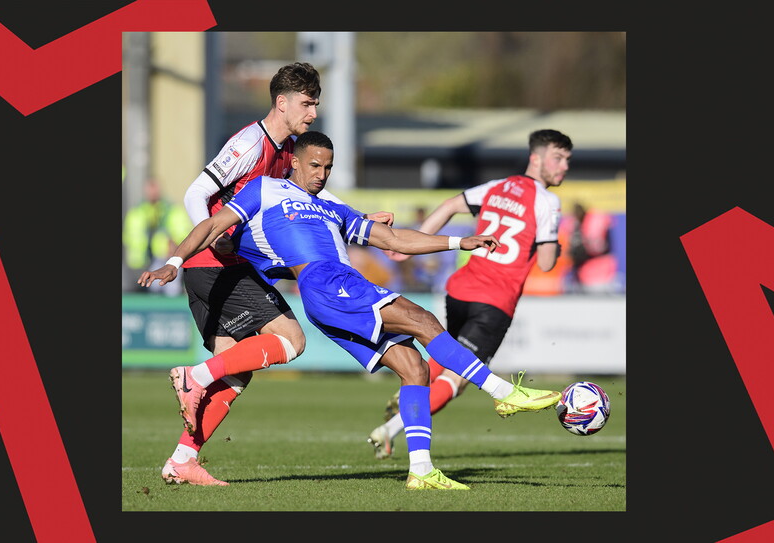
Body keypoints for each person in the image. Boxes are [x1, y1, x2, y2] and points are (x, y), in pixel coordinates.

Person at [138, 131, 563, 490]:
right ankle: (505, 394)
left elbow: (394, 240)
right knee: (424, 321)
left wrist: (458, 242)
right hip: (326, 284)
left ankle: (422, 472)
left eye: (328, 167)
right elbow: (214, 226)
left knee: (413, 366)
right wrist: (174, 263)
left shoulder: (332, 208)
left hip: (338, 288)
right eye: (315, 166)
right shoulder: (265, 189)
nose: (321, 175)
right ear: (295, 164)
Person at [157, 62, 392, 486]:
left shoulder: (291, 150)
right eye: (307, 104)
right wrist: (215, 239)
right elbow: (197, 192)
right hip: (216, 264)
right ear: (281, 103)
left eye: (316, 104)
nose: (313, 113)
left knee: (235, 372)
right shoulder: (251, 143)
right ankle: (193, 376)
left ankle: (182, 461)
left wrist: (357, 219)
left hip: (216, 269)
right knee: (291, 338)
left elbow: (310, 193)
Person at [368, 129, 573, 459]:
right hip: (494, 300)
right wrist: (555, 243)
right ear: (536, 158)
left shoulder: (496, 187)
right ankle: (389, 429)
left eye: (567, 160)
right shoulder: (548, 201)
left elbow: (450, 205)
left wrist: (409, 246)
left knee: (448, 356)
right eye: (558, 158)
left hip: (460, 290)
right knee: (458, 379)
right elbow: (547, 263)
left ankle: (407, 392)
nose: (564, 166)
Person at [122, 178, 193, 296]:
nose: (152, 192)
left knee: (166, 289)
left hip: (165, 258)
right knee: (142, 291)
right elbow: (129, 235)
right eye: (150, 189)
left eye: (154, 189)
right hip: (138, 262)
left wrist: (174, 246)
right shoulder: (137, 211)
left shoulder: (171, 210)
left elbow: (184, 233)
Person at [566, 201, 618, 293]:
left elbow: (596, 248)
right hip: (583, 272)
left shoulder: (595, 221)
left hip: (599, 271)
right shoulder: (574, 224)